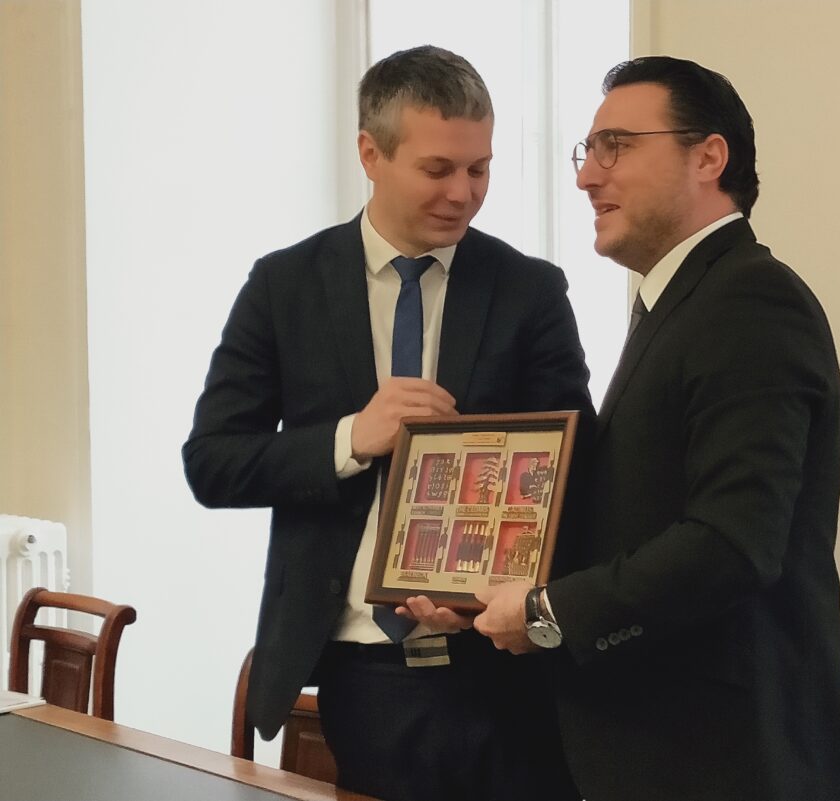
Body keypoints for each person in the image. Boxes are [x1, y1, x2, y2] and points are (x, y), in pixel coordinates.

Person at [183, 45, 591, 801]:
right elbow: (212, 462)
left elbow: (577, 466)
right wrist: (350, 439)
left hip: (505, 666)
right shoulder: (284, 286)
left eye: (480, 169)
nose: (463, 194)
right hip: (365, 674)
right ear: (371, 153)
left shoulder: (528, 290)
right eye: (438, 169)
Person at [474, 56, 840, 801]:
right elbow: (637, 512)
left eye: (616, 146)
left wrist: (548, 613)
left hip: (732, 759)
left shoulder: (751, 300)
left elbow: (732, 543)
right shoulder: (683, 300)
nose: (586, 176)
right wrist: (485, 585)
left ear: (708, 157)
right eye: (587, 151)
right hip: (664, 747)